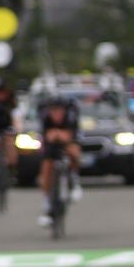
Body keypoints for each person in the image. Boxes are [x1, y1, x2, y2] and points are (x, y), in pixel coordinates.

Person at [35, 91, 81, 226]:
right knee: (46, 167)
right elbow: (46, 136)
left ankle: (74, 180)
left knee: (74, 151)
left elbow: (69, 136)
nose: (56, 114)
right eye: (53, 111)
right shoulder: (44, 116)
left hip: (68, 139)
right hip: (51, 142)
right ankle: (48, 203)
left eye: (59, 110)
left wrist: (59, 134)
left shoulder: (71, 115)